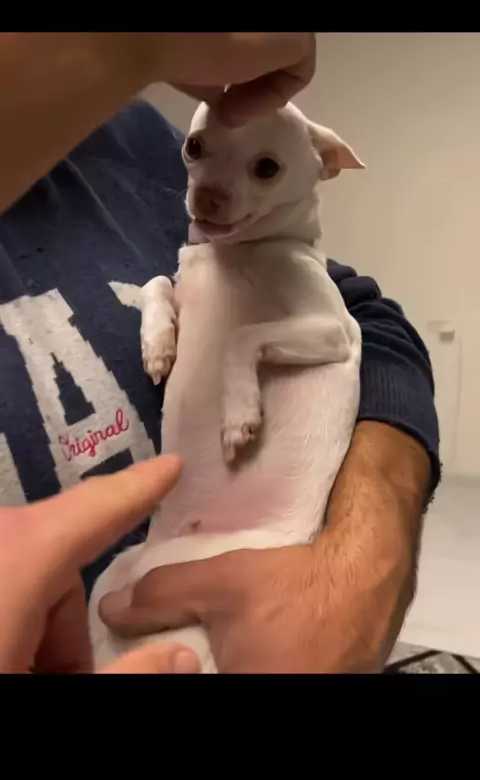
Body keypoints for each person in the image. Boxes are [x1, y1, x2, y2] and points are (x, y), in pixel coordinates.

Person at [0, 33, 439, 674]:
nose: (209, 191)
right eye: (199, 151)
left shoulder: (130, 139)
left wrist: (361, 568)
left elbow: (369, 324)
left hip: (245, 561)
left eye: (262, 169)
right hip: (145, 571)